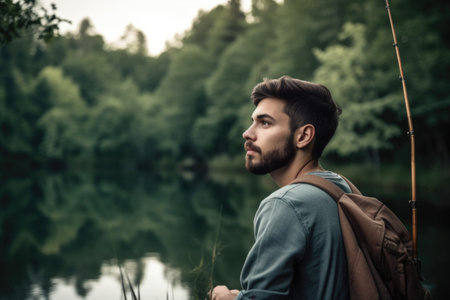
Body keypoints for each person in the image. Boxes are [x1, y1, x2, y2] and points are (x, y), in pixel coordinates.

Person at [210, 76, 350, 300]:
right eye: (253, 121)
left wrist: (224, 297)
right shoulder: (341, 187)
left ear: (303, 136)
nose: (247, 133)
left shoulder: (287, 204)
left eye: (265, 123)